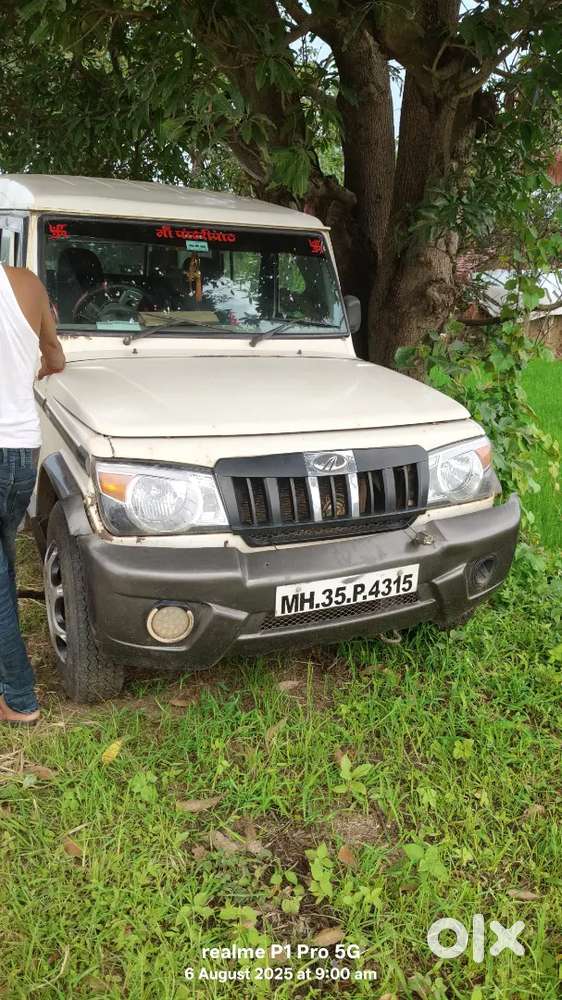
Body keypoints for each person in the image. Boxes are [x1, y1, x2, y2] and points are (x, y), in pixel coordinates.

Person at [0, 263, 65, 724]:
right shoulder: (26, 283)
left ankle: (19, 696)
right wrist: (32, 367)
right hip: (22, 448)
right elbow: (56, 358)